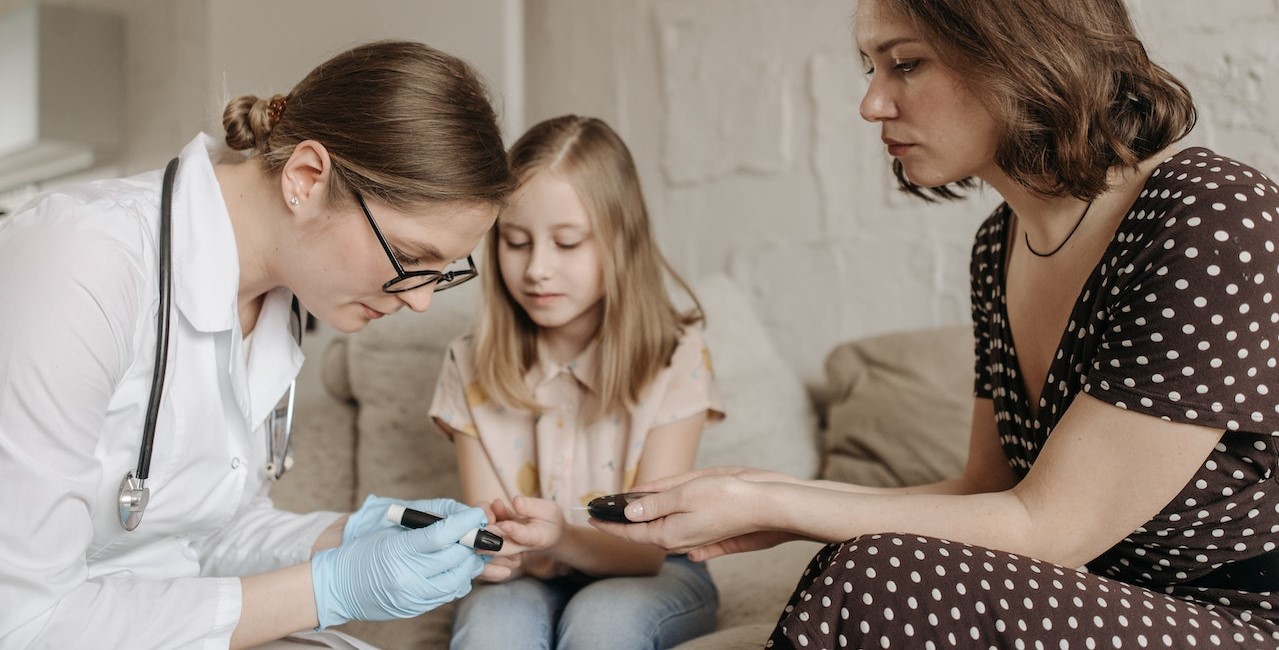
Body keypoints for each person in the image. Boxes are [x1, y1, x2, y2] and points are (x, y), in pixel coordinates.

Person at [592, 1, 1279, 647]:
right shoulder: (997, 246)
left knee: (885, 577)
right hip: (1093, 597)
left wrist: (777, 502)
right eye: (872, 68)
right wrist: (771, 498)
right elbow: (987, 491)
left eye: (906, 64)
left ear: (1018, 49)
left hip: (1234, 619)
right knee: (867, 555)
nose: (871, 104)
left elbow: (1053, 527)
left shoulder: (1207, 220)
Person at [0, 40, 515, 649]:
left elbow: (204, 536)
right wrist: (332, 587)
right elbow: (25, 621)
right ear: (305, 177)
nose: (421, 299)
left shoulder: (280, 301)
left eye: (444, 271)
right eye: (409, 258)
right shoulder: (82, 262)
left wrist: (349, 537)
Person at [428, 115, 723, 649]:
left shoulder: (675, 358)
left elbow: (646, 548)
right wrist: (489, 553)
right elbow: (493, 538)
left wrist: (560, 538)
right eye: (516, 242)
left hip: (653, 572)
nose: (537, 268)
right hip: (527, 579)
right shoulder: (468, 362)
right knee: (493, 627)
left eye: (567, 243)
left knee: (600, 622)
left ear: (621, 243)